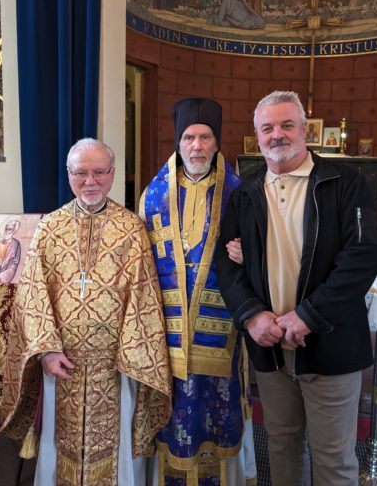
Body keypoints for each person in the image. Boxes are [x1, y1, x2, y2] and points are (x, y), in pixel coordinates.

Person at [216, 91, 377, 485]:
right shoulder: (245, 194)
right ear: (257, 137)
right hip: (271, 348)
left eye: (287, 125)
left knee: (333, 459)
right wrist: (251, 316)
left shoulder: (345, 184)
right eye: (267, 128)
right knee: (282, 447)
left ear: (305, 130)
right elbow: (226, 264)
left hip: (330, 344)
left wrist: (309, 315)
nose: (277, 134)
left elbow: (362, 257)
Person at [0, 138, 172, 486]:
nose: (90, 181)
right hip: (61, 362)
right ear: (68, 174)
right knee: (59, 446)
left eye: (99, 172)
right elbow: (32, 295)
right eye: (80, 173)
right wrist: (46, 350)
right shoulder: (50, 227)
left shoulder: (132, 229)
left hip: (116, 366)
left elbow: (144, 297)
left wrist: (130, 356)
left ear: (113, 174)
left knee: (118, 453)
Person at [139, 98, 256, 486]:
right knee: (172, 410)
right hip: (168, 330)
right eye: (189, 137)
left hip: (221, 330)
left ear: (217, 142)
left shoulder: (240, 193)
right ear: (178, 142)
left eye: (206, 137)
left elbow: (263, 254)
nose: (197, 146)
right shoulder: (154, 195)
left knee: (218, 407)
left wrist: (250, 255)